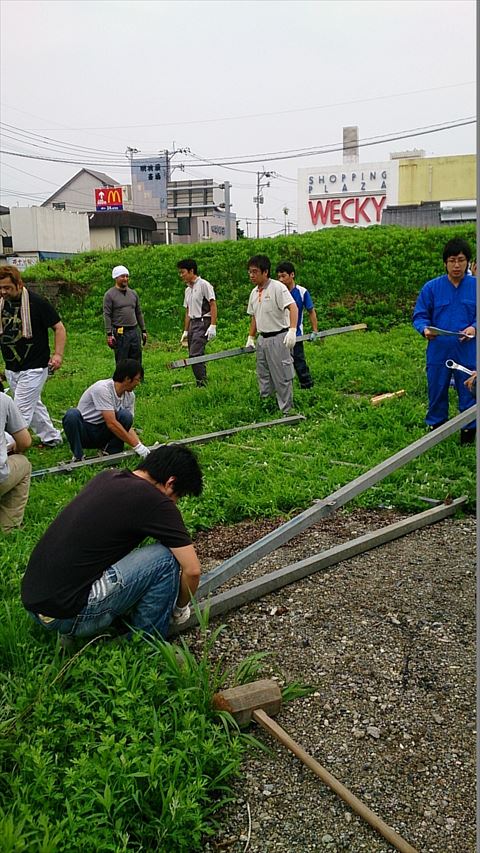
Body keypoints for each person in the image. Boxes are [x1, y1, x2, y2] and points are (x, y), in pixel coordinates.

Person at [21, 445, 203, 642]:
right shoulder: (156, 501)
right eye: (179, 496)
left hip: (35, 604)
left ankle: (76, 623)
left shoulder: (107, 477)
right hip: (72, 613)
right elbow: (192, 570)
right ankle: (146, 643)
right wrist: (179, 608)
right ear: (170, 482)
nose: (175, 503)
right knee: (166, 559)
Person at [413, 237, 476, 444]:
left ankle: (468, 433)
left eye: (460, 260)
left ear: (468, 262)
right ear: (445, 263)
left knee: (469, 392)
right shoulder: (431, 288)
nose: (456, 265)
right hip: (439, 350)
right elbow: (420, 316)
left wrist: (474, 328)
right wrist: (425, 330)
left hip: (467, 351)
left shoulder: (475, 286)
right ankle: (436, 430)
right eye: (451, 260)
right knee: (437, 390)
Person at [0, 265, 65, 447]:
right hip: (12, 367)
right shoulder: (0, 304)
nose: (3, 292)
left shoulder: (37, 303)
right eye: (0, 288)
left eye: (7, 288)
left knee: (19, 411)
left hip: (34, 367)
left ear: (19, 284)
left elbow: (59, 328)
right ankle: (51, 437)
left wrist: (58, 354)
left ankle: (5, 448)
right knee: (33, 404)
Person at [62, 359, 149, 462]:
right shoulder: (103, 389)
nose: (138, 383)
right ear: (127, 378)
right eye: (137, 379)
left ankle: (111, 452)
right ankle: (78, 455)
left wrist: (140, 445)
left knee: (126, 416)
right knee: (71, 415)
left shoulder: (130, 396)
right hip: (86, 431)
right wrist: (136, 446)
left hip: (103, 432)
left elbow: (128, 427)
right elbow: (111, 423)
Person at [245, 255, 298, 414]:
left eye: (255, 272)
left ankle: (286, 410)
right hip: (263, 339)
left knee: (282, 375)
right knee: (264, 374)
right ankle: (267, 405)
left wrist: (292, 330)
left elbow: (293, 307)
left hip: (279, 337)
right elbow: (254, 316)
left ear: (265, 272)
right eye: (250, 272)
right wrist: (251, 337)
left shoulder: (277, 287)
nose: (252, 275)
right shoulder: (254, 293)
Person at [276, 261, 318, 389]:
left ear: (292, 275)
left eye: (284, 276)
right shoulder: (277, 291)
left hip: (296, 333)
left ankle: (307, 385)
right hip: (280, 333)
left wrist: (314, 330)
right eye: (279, 277)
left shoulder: (302, 292)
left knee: (299, 361)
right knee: (281, 362)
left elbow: (311, 311)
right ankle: (285, 387)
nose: (281, 280)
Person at [177, 258, 217, 387]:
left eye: (183, 272)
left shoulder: (204, 284)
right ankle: (200, 380)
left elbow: (212, 304)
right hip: (193, 323)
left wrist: (213, 325)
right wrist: (185, 330)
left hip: (203, 321)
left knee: (196, 354)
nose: (181, 275)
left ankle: (202, 383)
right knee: (192, 354)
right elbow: (188, 310)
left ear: (191, 271)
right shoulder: (187, 290)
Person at [0, 387, 32, 531]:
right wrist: (16, 449)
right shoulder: (3, 400)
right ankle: (9, 526)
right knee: (23, 464)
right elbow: (25, 442)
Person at [103, 265, 147, 364]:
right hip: (120, 332)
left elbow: (138, 312)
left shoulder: (133, 294)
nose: (125, 279)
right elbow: (107, 315)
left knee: (136, 358)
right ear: (116, 277)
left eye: (127, 276)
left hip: (134, 331)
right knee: (122, 359)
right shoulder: (109, 295)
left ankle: (137, 378)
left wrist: (143, 330)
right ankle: (122, 379)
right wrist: (109, 334)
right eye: (122, 276)